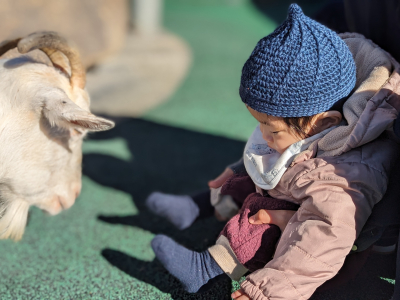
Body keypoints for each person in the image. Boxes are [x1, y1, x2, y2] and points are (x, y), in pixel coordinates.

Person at [147, 4, 400, 299]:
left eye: (271, 128)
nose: (263, 135)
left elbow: (322, 238)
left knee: (260, 222)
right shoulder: (316, 122)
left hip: (321, 218)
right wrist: (239, 169)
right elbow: (277, 152)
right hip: (297, 176)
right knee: (247, 176)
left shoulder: (344, 176)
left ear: (324, 123)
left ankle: (207, 269)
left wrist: (268, 292)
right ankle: (196, 207)